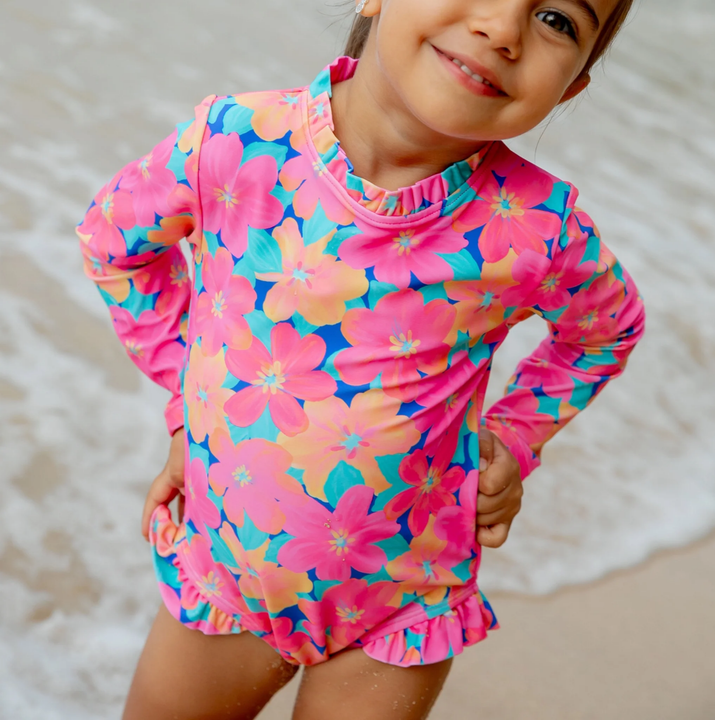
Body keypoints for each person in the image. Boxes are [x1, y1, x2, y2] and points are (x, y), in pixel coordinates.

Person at [76, 0, 646, 718]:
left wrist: (515, 438)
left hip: (402, 604)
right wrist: (192, 400)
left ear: (571, 88)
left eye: (558, 19)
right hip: (230, 576)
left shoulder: (535, 228)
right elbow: (114, 245)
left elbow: (604, 331)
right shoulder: (237, 144)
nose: (503, 29)